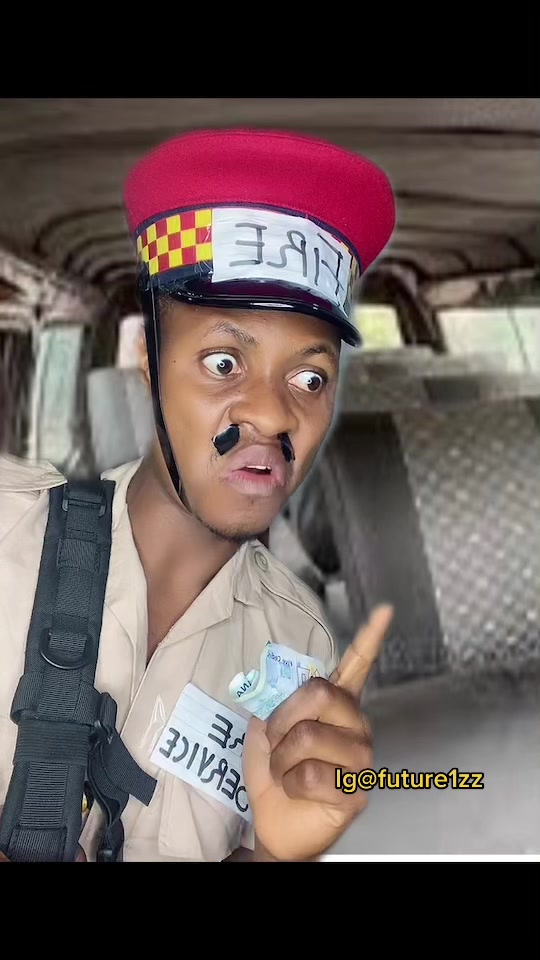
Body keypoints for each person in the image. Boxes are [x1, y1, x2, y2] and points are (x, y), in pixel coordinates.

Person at [0, 127, 395, 862]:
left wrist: (276, 855)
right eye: (222, 362)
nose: (274, 413)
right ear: (149, 363)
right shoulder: (7, 528)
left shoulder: (299, 644)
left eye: (310, 378)